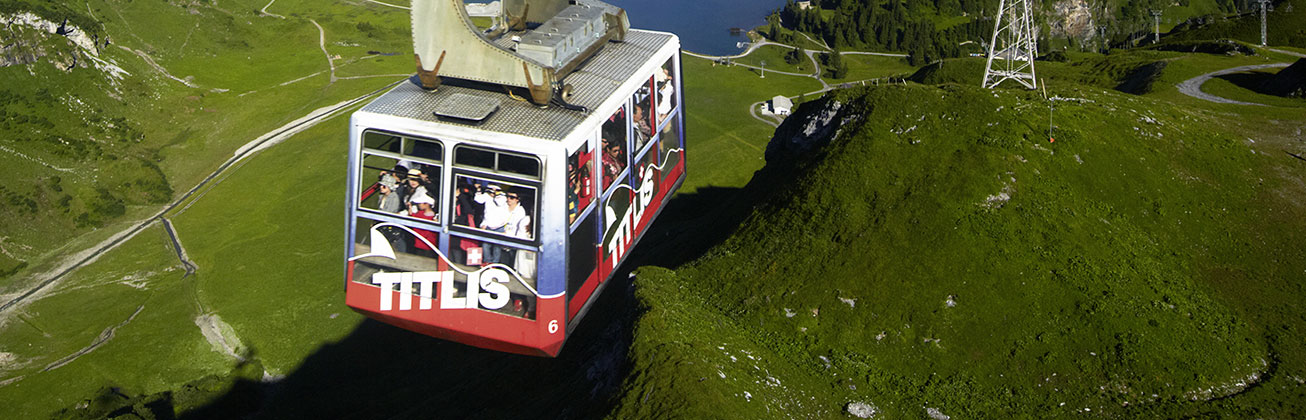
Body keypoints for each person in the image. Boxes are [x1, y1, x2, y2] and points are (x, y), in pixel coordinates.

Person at [404, 193, 438, 258]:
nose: (418, 205)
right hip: (418, 243)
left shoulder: (433, 218)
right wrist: (410, 208)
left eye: (420, 203)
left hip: (428, 246)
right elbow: (412, 217)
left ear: (427, 204)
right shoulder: (420, 213)